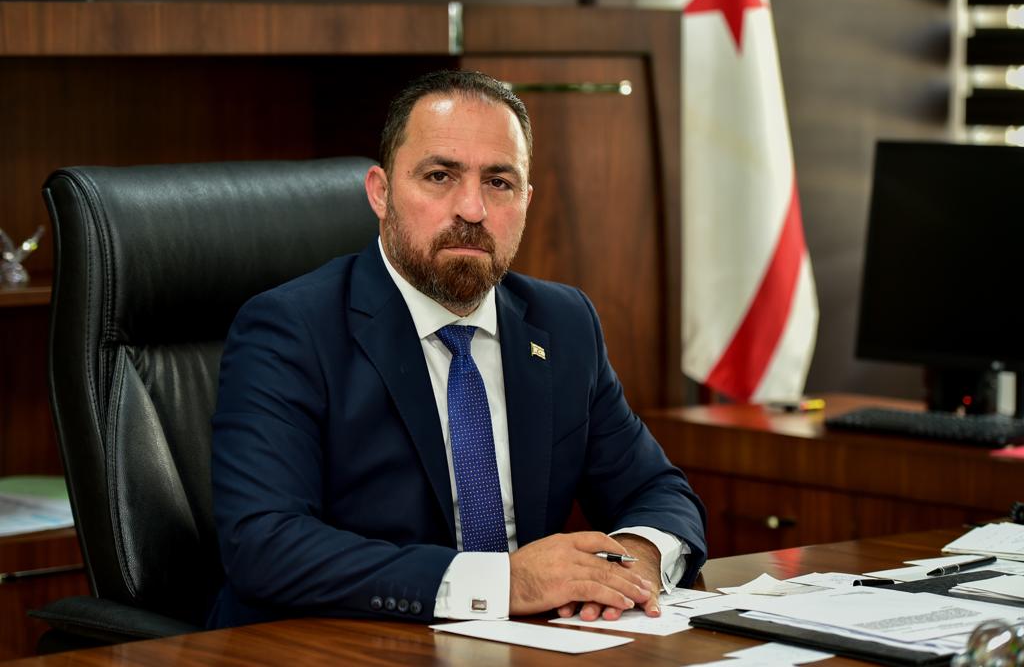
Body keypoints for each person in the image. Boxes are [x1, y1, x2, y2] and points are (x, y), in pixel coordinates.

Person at [208, 70, 707, 628]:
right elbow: (264, 542)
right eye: (440, 176)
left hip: (535, 644)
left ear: (526, 200)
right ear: (380, 192)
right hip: (345, 643)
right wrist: (503, 583)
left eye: (499, 182)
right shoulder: (290, 329)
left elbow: (657, 490)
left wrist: (635, 559)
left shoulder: (563, 324)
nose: (472, 210)